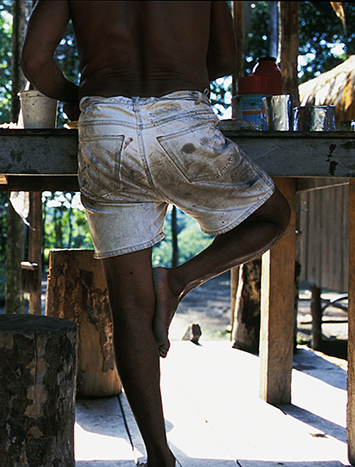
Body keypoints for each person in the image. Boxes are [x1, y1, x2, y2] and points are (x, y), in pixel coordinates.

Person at [21, 2, 291, 466]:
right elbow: (225, 59)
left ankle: (159, 456)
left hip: (105, 127)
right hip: (182, 121)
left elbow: (36, 61)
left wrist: (75, 93)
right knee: (274, 217)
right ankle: (179, 279)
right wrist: (178, 72)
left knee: (130, 312)